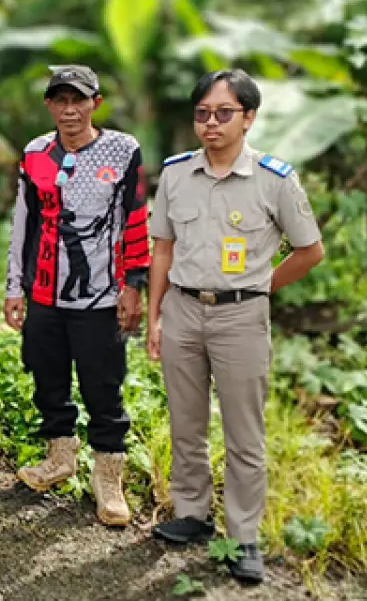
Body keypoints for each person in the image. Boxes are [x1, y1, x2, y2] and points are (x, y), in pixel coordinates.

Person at [147, 69, 324, 583]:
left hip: (241, 317)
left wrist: (263, 286)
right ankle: (192, 513)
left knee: (244, 433)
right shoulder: (176, 174)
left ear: (248, 118)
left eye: (224, 113)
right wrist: (155, 316)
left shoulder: (274, 179)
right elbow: (163, 249)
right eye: (202, 113)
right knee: (186, 421)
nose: (211, 123)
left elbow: (310, 250)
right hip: (182, 309)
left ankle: (243, 536)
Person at [4, 65, 150, 526]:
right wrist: (14, 286)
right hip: (44, 294)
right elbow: (23, 222)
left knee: (102, 385)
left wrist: (134, 285)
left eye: (79, 100)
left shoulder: (122, 150)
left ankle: (108, 479)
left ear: (95, 104)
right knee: (47, 378)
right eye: (61, 100)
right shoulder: (35, 154)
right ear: (49, 105)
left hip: (101, 297)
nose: (70, 110)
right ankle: (59, 457)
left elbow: (135, 217)